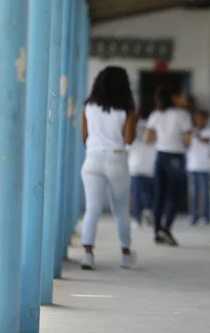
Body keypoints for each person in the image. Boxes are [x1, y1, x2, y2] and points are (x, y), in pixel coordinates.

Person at [80, 66, 139, 270]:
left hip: (92, 159)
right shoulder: (127, 110)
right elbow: (129, 139)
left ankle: (87, 254)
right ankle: (125, 254)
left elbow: (85, 137)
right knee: (121, 209)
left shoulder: (88, 107)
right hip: (116, 159)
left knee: (92, 209)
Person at [145, 85, 192, 246]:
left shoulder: (156, 114)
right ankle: (166, 228)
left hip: (160, 155)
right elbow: (187, 140)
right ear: (174, 97)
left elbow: (147, 138)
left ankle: (157, 231)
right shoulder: (182, 115)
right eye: (182, 94)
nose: (185, 97)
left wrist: (162, 141)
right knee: (174, 196)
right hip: (176, 156)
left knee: (159, 194)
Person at [127, 112, 156, 228]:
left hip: (144, 172)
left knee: (143, 196)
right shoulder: (137, 142)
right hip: (141, 172)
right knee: (142, 196)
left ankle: (143, 215)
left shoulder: (153, 144)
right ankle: (142, 215)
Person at [187, 109, 210, 225]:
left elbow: (206, 141)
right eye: (197, 119)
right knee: (193, 194)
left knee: (205, 194)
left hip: (204, 168)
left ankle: (206, 217)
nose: (199, 121)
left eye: (201, 119)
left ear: (206, 120)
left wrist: (195, 135)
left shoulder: (209, 131)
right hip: (192, 167)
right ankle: (194, 217)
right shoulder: (192, 132)